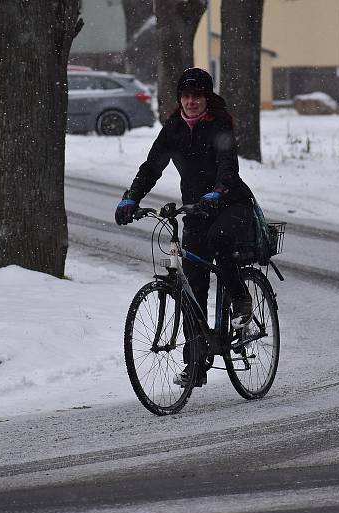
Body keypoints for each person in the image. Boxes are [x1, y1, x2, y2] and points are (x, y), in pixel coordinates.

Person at [115, 68, 257, 385]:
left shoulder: (219, 125)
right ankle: (195, 364)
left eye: (197, 96)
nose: (191, 102)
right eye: (186, 96)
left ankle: (241, 297)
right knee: (192, 283)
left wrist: (216, 193)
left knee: (220, 241)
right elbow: (152, 167)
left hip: (232, 204)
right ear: (179, 98)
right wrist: (130, 199)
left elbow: (228, 169)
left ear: (206, 98)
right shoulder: (174, 129)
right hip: (196, 209)